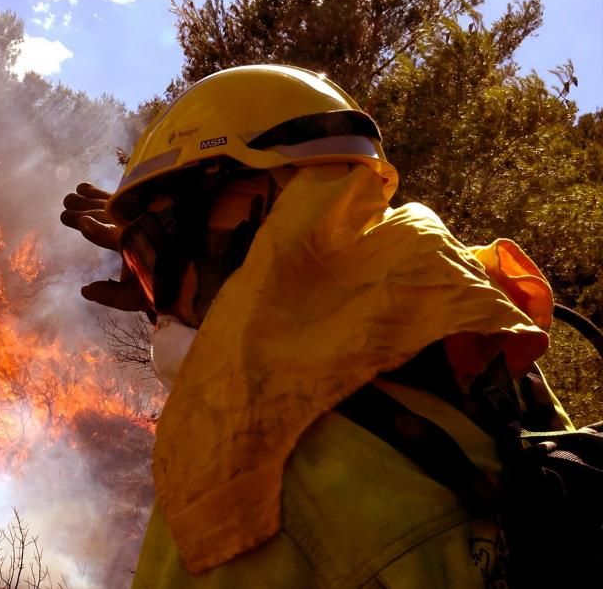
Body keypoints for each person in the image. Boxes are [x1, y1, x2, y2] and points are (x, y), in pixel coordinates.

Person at [60, 65, 573, 588]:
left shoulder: (239, 478)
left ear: (255, 213)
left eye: (158, 258)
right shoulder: (476, 344)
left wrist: (198, 286)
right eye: (148, 273)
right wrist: (190, 277)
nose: (162, 308)